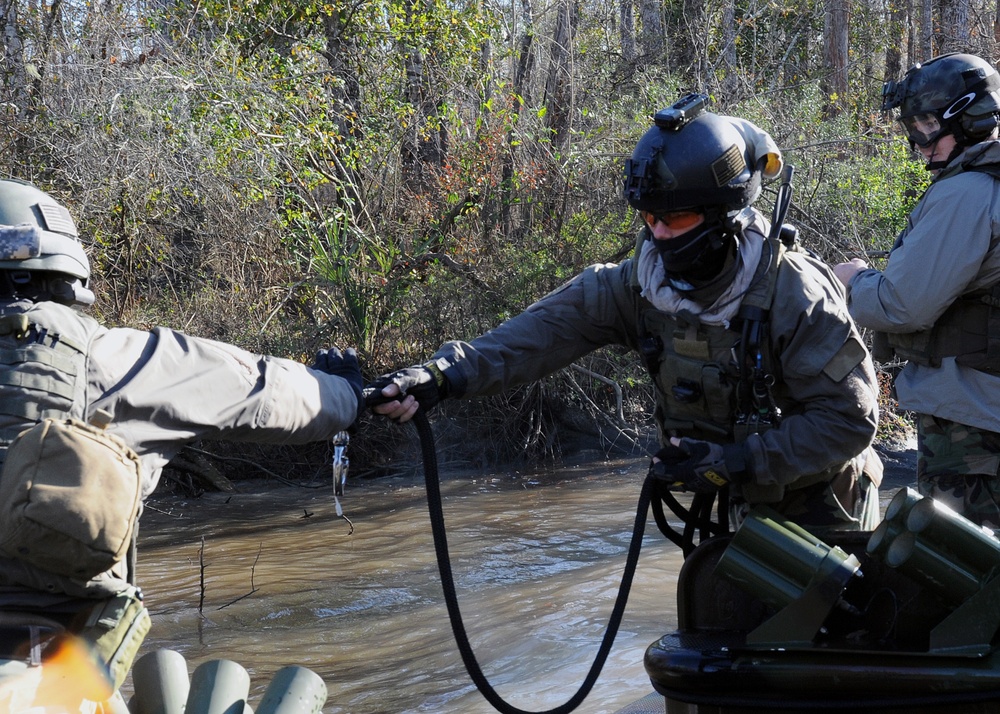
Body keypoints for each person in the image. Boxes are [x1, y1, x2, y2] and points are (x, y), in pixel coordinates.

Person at [372, 94, 883, 536]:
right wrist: (439, 377)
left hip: (825, 504)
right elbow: (534, 337)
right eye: (649, 217)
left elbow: (849, 419)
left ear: (723, 215)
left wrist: (737, 462)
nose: (658, 234)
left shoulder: (796, 294)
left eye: (676, 217)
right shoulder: (635, 286)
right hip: (734, 502)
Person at [0, 178, 364, 711]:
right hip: (48, 682)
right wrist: (348, 393)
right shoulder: (113, 359)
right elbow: (270, 393)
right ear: (65, 272)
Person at [834, 52, 1000, 528]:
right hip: (985, 413)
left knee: (957, 577)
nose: (918, 141)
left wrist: (853, 281)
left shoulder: (966, 192)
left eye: (927, 124)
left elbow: (901, 305)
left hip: (974, 424)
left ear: (969, 116)